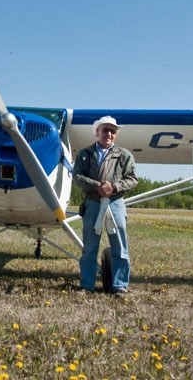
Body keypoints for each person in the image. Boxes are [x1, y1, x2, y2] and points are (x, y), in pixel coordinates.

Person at [72, 115, 138, 295]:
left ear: (115, 134)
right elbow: (77, 177)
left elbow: (132, 179)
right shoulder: (84, 154)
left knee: (119, 246)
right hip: (92, 203)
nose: (109, 134)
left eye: (112, 131)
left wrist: (114, 187)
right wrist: (97, 186)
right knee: (90, 247)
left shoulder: (124, 155)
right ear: (97, 132)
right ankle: (87, 285)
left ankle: (120, 286)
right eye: (105, 130)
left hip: (115, 203)